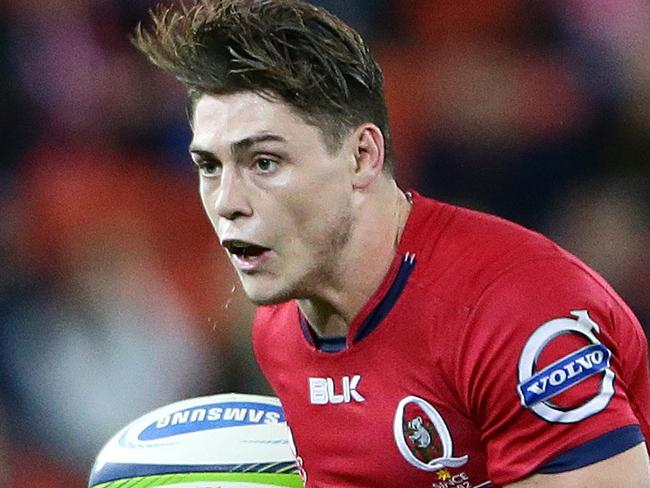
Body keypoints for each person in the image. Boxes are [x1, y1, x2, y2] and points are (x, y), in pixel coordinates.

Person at [133, 1, 650, 486]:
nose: (227, 202)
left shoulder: (511, 311)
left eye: (264, 162)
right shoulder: (281, 329)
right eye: (209, 166)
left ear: (362, 157)